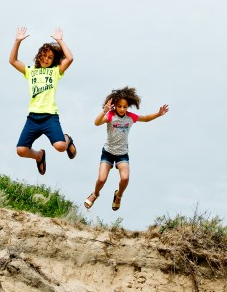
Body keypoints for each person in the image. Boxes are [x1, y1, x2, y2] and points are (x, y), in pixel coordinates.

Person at [84, 86, 169, 210]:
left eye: (125, 107)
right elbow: (96, 123)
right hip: (108, 152)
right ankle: (95, 194)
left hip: (122, 154)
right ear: (115, 106)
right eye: (119, 106)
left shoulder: (130, 117)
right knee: (101, 179)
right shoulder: (110, 115)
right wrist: (104, 111)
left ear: (128, 106)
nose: (122, 109)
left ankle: (118, 196)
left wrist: (158, 114)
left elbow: (146, 118)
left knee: (125, 178)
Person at [9, 27, 77, 175]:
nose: (46, 59)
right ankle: (39, 155)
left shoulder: (55, 71)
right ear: (39, 55)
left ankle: (67, 139)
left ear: (54, 60)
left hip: (49, 117)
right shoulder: (30, 70)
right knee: (21, 150)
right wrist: (17, 41)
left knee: (60, 147)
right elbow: (12, 61)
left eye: (50, 57)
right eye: (44, 55)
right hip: (33, 118)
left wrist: (60, 40)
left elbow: (70, 58)